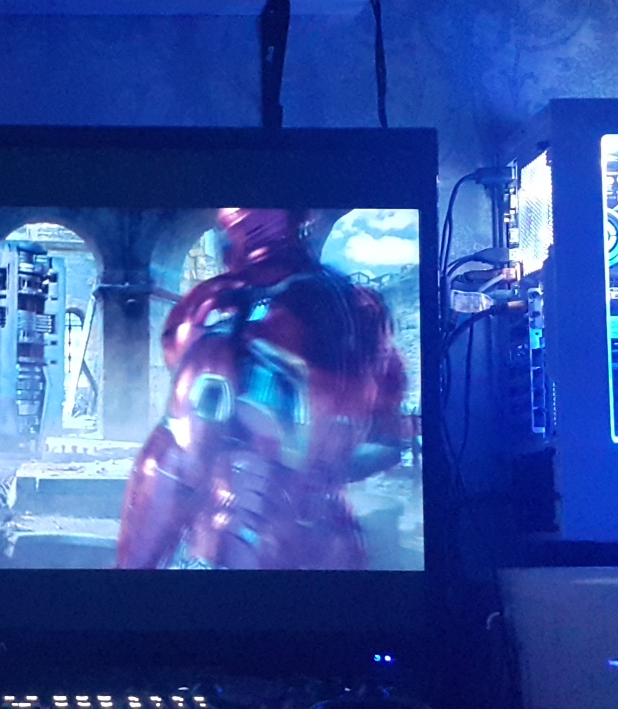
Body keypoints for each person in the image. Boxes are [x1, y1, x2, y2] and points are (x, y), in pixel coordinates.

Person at [117, 209, 406, 570]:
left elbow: (382, 434)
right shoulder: (231, 306)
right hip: (277, 522)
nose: (241, 221)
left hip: (267, 525)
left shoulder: (325, 307)